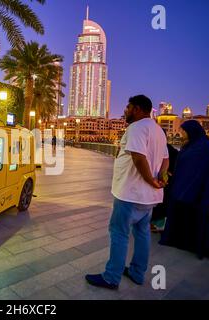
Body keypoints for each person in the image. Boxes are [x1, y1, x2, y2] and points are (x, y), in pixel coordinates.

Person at [85, 95, 169, 290]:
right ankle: (137, 273)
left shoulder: (136, 128)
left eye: (128, 107)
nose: (125, 110)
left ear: (138, 109)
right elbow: (165, 159)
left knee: (119, 233)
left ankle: (111, 277)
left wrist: (151, 181)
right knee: (142, 233)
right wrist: (160, 179)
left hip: (131, 194)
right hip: (149, 197)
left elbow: (138, 158)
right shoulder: (158, 130)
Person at [159, 120, 209, 260]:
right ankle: (183, 241)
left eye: (183, 131)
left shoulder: (204, 147)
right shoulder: (192, 145)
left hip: (198, 191)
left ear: (192, 131)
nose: (181, 133)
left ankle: (194, 245)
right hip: (185, 187)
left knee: (197, 216)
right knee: (182, 213)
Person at [150, 129, 179, 232]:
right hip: (164, 181)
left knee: (159, 204)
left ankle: (153, 224)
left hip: (159, 180)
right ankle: (157, 224)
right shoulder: (169, 148)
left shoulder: (158, 148)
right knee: (161, 203)